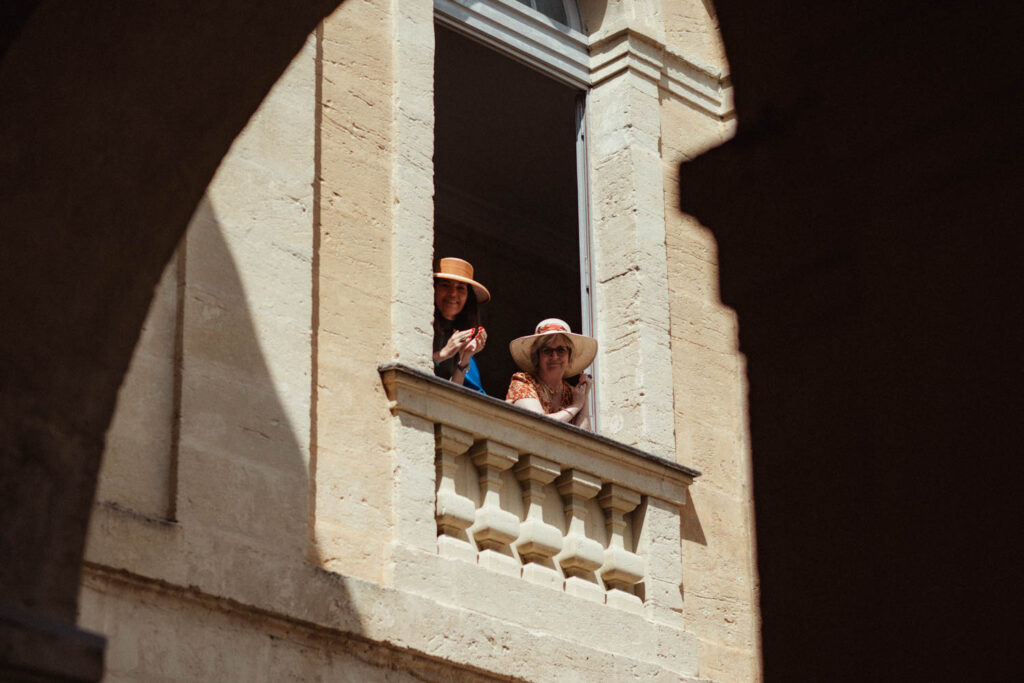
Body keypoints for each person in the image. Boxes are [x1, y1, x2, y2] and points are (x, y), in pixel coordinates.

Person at [506, 318, 596, 429]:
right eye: (547, 350)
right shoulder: (523, 381)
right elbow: (539, 423)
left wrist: (585, 397)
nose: (554, 356)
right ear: (537, 357)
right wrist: (576, 406)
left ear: (569, 355)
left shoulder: (572, 393)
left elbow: (584, 439)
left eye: (560, 350)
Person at [432, 257, 489, 393]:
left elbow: (454, 394)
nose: (452, 293)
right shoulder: (420, 326)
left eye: (460, 288)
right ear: (433, 289)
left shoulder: (461, 336)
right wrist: (442, 354)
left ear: (467, 297)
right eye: (445, 285)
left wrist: (465, 359)